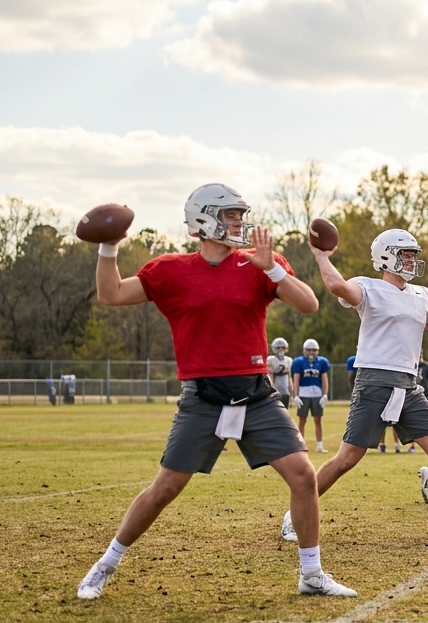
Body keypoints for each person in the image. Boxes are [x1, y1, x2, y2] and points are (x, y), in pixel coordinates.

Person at [76, 182, 354, 600]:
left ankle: (311, 573)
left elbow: (309, 304)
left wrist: (271, 269)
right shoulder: (169, 269)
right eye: (230, 215)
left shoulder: (261, 264)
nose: (240, 223)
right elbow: (111, 293)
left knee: (302, 476)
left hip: (256, 394)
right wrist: (108, 247)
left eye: (240, 215)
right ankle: (106, 564)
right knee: (165, 488)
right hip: (202, 398)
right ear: (204, 220)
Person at [283, 229, 428, 542]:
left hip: (409, 385)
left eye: (414, 254)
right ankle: (294, 516)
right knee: (347, 459)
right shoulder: (368, 287)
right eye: (406, 254)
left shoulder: (421, 295)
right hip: (374, 381)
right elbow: (335, 286)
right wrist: (321, 256)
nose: (412, 260)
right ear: (386, 256)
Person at [291, 339, 330, 453]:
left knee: (318, 420)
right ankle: (300, 445)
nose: (311, 352)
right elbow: (296, 379)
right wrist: (296, 395)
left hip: (317, 394)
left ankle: (319, 446)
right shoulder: (298, 362)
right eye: (309, 350)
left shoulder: (322, 362)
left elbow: (324, 379)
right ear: (304, 350)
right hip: (303, 394)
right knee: (302, 420)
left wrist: (325, 394)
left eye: (314, 350)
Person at [268, 338, 293, 408]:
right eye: (278, 348)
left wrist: (292, 391)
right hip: (275, 390)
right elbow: (269, 376)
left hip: (285, 391)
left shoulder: (288, 360)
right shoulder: (271, 360)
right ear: (274, 349)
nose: (280, 350)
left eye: (283, 348)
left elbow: (289, 377)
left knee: (285, 410)